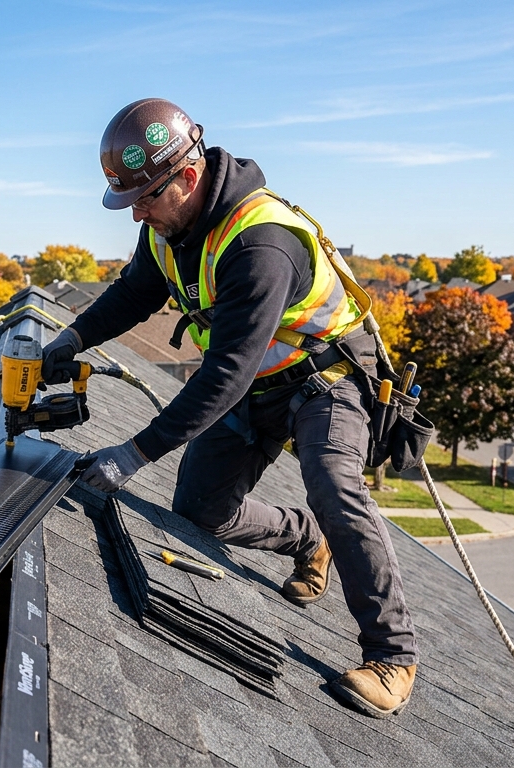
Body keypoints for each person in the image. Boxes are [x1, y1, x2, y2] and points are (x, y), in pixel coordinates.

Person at [49, 98, 419, 717]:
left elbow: (224, 373)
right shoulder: (166, 226)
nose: (135, 212)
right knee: (198, 509)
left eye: (145, 198)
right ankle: (307, 538)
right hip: (257, 387)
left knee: (333, 484)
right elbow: (136, 291)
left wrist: (132, 454)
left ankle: (393, 655)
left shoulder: (261, 243)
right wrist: (74, 337)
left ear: (187, 178)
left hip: (324, 380)